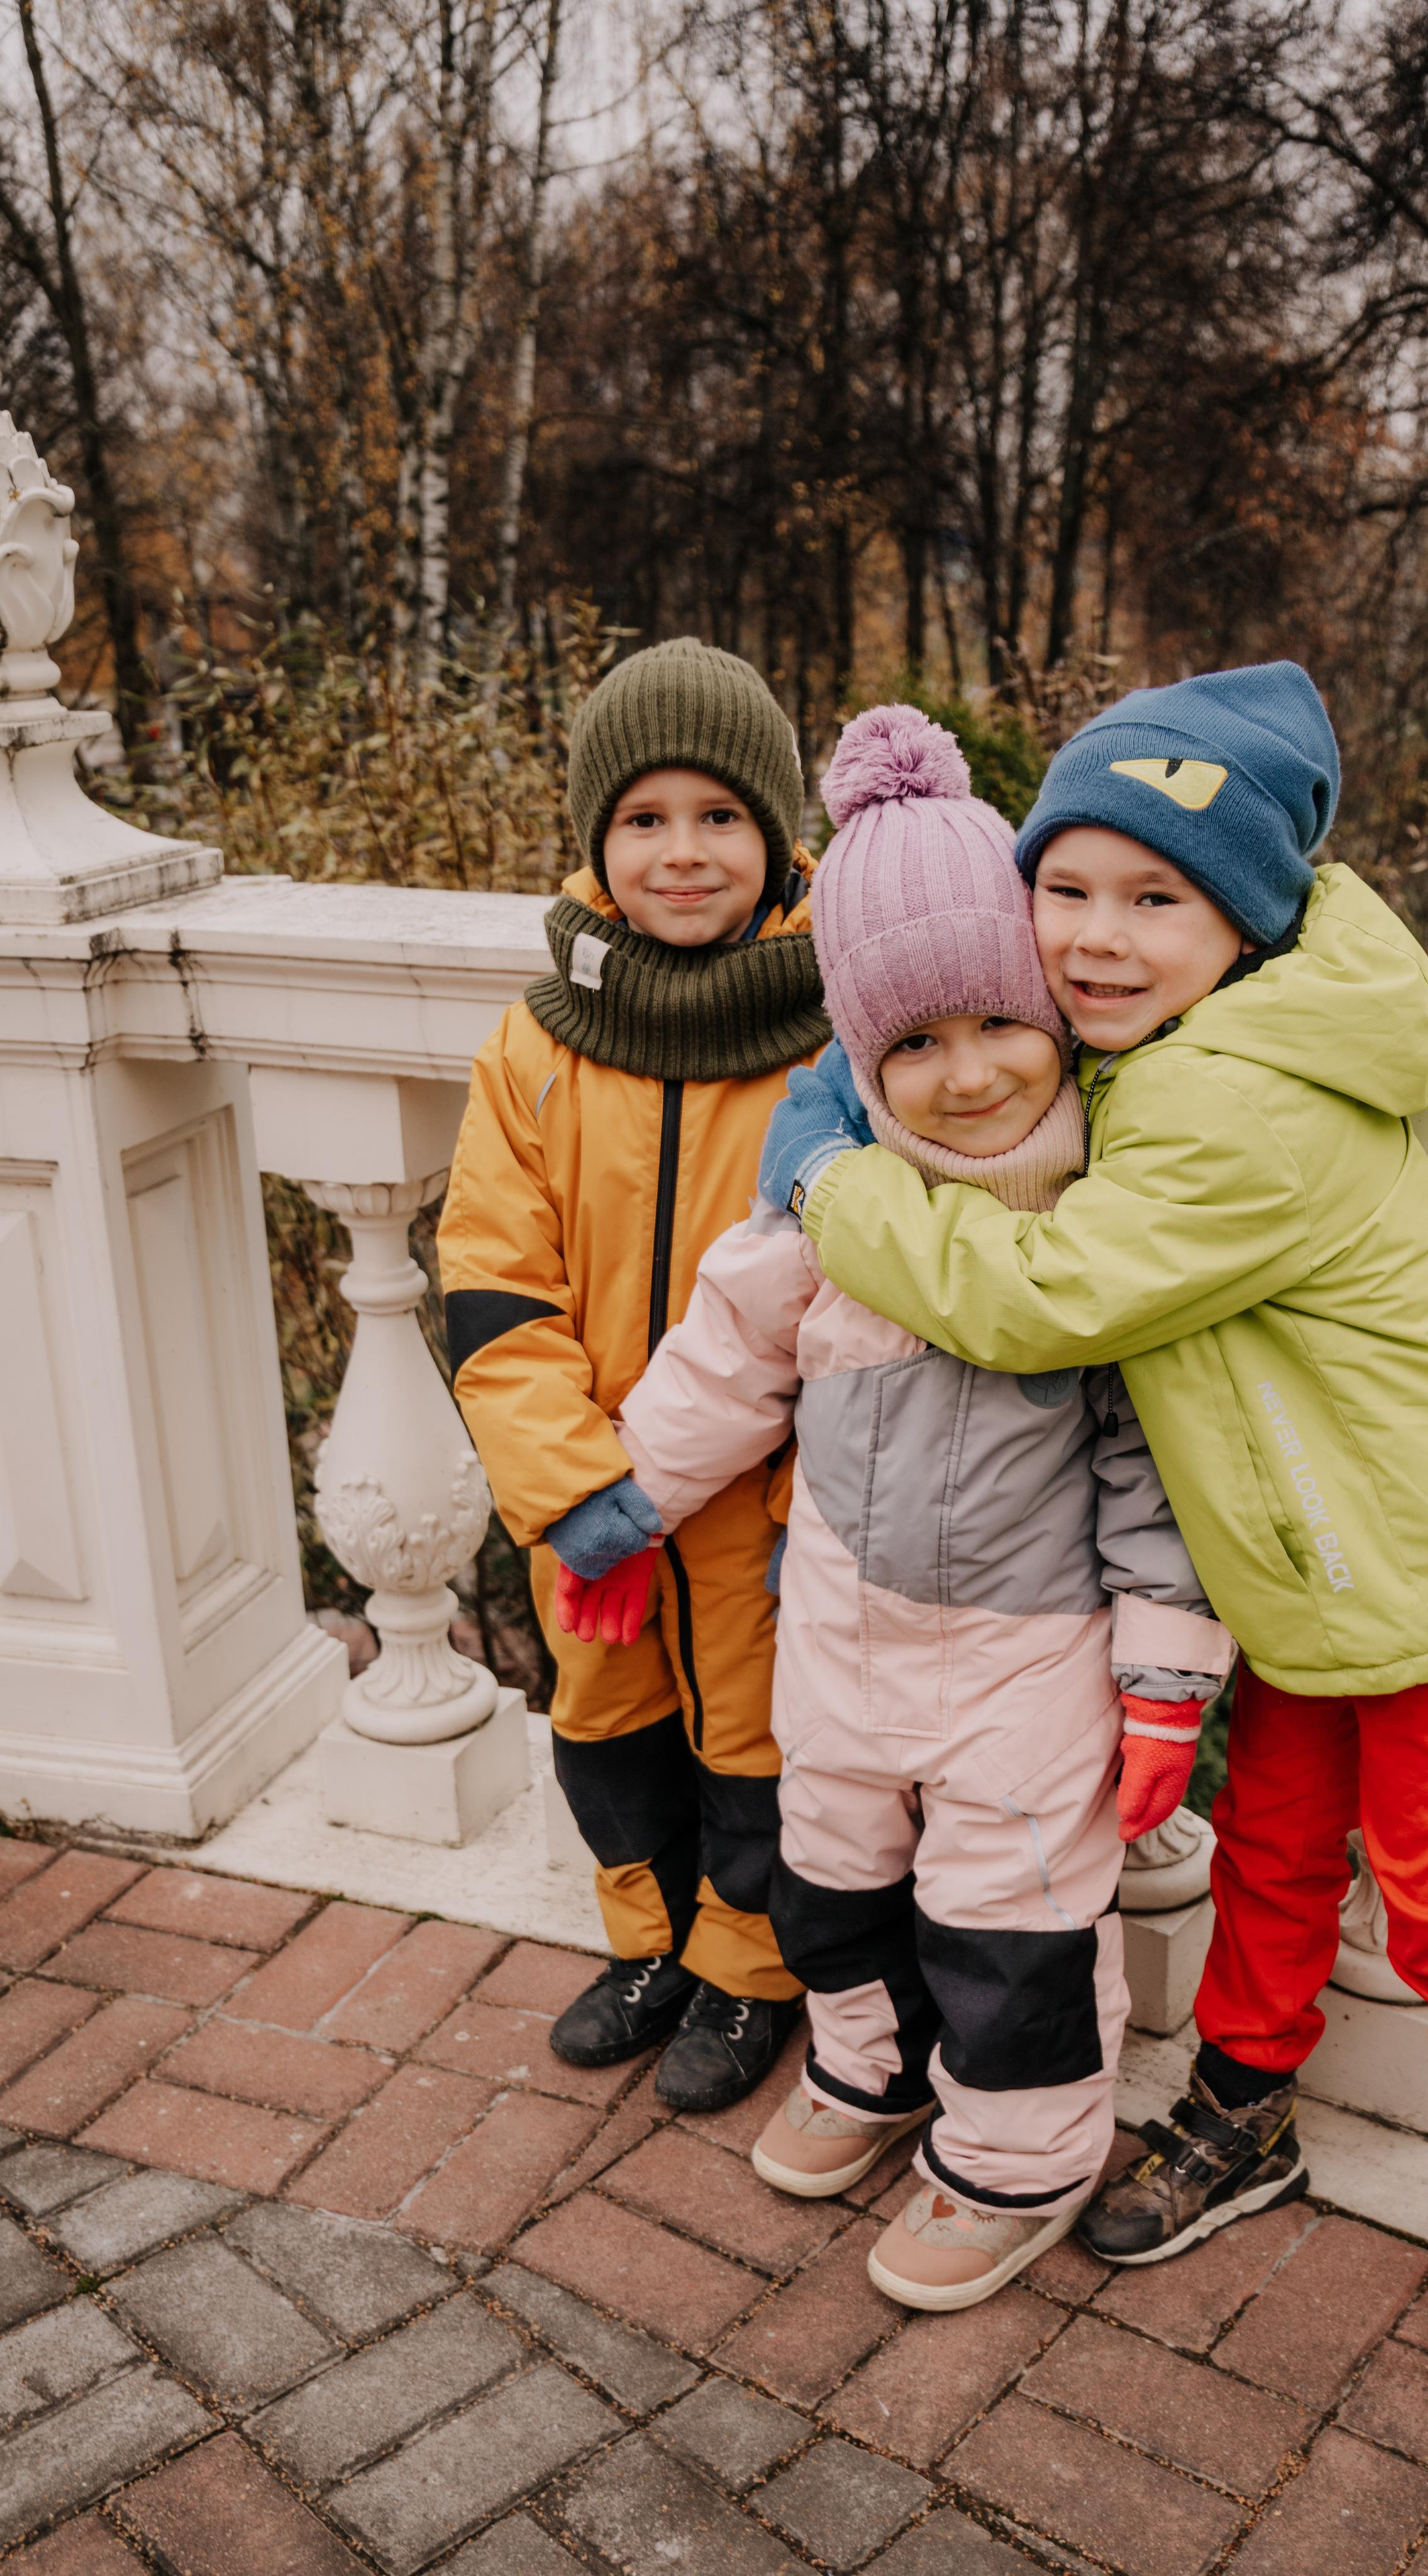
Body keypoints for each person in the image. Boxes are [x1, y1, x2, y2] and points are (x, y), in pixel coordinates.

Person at [761, 663, 1428, 2432]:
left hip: (1426, 1593)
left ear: (1251, 926)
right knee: (1277, 1862)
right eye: (1064, 888)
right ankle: (1246, 2106)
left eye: (1160, 900)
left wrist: (835, 1175)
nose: (1097, 939)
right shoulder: (1180, 1055)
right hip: (1303, 1584)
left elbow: (1042, 1295)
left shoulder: (1241, 1104)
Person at [609, 706, 1231, 2311]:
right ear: (855, 1056)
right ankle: (873, 2069)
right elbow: (725, 1354)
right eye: (908, 1047)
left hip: (1022, 1658)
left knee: (1009, 1919)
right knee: (832, 1877)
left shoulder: (1101, 1229)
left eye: (993, 1028)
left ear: (1048, 1014)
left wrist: (1165, 1676)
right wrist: (620, 1507)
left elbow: (1158, 1466)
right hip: (835, 1629)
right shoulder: (833, 1212)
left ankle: (1016, 2155)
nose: (962, 1079)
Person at [438, 637, 826, 2114]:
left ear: (778, 837)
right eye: (645, 819)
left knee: (760, 1737)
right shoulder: (533, 1050)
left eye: (719, 817)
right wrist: (571, 1482)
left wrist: (808, 1496)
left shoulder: (834, 1040)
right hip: (594, 1496)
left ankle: (747, 1965)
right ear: (599, 838)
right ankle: (648, 1941)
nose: (682, 852)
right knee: (604, 1723)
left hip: (757, 1502)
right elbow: (490, 1285)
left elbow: (859, 1305)